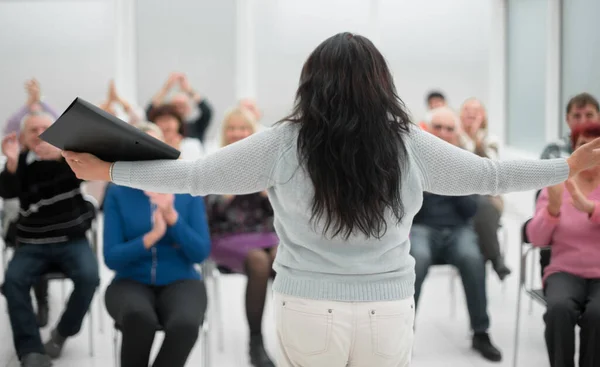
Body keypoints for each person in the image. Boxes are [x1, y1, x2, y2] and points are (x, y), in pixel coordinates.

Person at [63, 33, 600, 367]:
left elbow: (196, 176)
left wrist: (109, 168)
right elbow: (491, 175)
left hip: (306, 309)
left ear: (311, 85)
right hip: (387, 311)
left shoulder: (283, 140)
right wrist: (565, 165)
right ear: (379, 83)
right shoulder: (406, 140)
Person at [103, 121, 210, 367]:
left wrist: (173, 220)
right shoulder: (117, 192)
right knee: (139, 319)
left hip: (182, 280)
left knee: (185, 324)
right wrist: (150, 237)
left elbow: (200, 253)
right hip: (129, 281)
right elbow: (111, 258)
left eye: (152, 145)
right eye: (138, 146)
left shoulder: (186, 190)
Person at [1, 111, 99, 367]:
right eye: (33, 130)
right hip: (31, 242)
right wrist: (11, 164)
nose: (41, 134)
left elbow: (95, 172)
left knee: (90, 277)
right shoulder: (18, 162)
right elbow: (7, 191)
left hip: (71, 238)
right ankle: (30, 350)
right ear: (23, 137)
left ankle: (61, 333)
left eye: (46, 128)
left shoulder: (72, 158)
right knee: (12, 282)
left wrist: (61, 156)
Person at [412, 106, 501, 361]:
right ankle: (404, 331)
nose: (443, 133)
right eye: (438, 127)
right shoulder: (413, 159)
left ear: (455, 133)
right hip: (422, 229)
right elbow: (407, 210)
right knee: (415, 259)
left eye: (449, 128)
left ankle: (481, 332)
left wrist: (455, 182)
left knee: (473, 259)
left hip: (458, 229)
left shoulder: (463, 160)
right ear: (427, 129)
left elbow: (471, 208)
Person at [205, 107, 278, 367]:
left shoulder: (265, 162)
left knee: (286, 256)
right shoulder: (215, 162)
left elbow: (280, 212)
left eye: (243, 128)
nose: (238, 133)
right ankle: (255, 341)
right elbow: (207, 212)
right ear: (225, 133)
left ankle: (294, 331)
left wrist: (268, 193)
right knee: (259, 262)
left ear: (252, 132)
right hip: (226, 236)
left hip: (265, 233)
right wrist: (226, 191)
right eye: (232, 128)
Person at [527, 122, 600, 367]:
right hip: (564, 271)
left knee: (597, 315)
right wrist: (552, 210)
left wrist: (591, 209)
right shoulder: (558, 184)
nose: (592, 153)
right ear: (575, 149)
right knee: (558, 310)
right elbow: (536, 239)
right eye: (584, 146)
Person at [537, 93, 600, 278]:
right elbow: (545, 188)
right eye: (577, 116)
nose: (582, 121)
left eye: (589, 115)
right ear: (567, 119)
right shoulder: (553, 150)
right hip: (560, 217)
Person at [459, 98, 510, 280]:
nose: (471, 113)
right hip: (460, 199)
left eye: (476, 110)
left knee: (483, 205)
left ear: (484, 117)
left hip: (488, 197)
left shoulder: (491, 140)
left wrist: (476, 141)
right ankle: (496, 258)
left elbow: (491, 169)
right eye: (466, 109)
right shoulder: (453, 137)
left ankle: (482, 264)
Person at [146, 72, 213, 142]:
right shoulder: (162, 128)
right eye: (175, 106)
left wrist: (189, 90)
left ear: (189, 109)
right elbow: (150, 112)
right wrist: (166, 88)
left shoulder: (195, 128)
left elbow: (207, 112)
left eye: (182, 106)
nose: (179, 109)